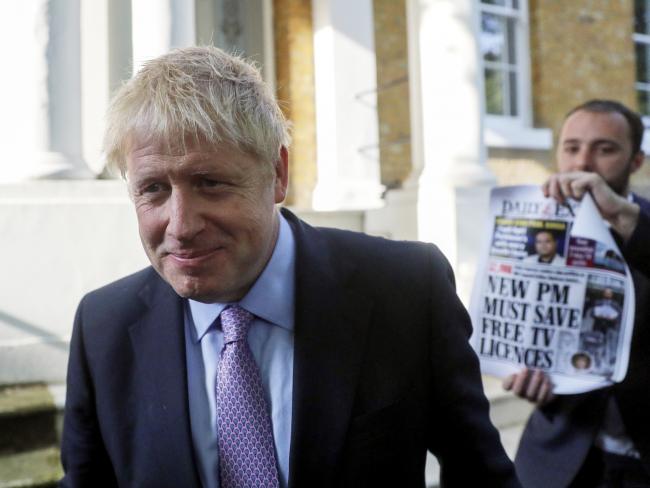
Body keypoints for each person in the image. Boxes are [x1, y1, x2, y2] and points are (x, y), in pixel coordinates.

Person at [60, 46, 519, 487]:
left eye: (210, 183)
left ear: (277, 173)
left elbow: (480, 474)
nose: (180, 226)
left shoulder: (406, 291)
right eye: (154, 189)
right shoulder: (105, 328)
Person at [503, 99, 650, 487]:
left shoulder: (644, 226)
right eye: (571, 148)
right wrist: (523, 368)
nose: (582, 163)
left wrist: (624, 218)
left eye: (605, 149)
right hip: (557, 460)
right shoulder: (527, 233)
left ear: (636, 161)